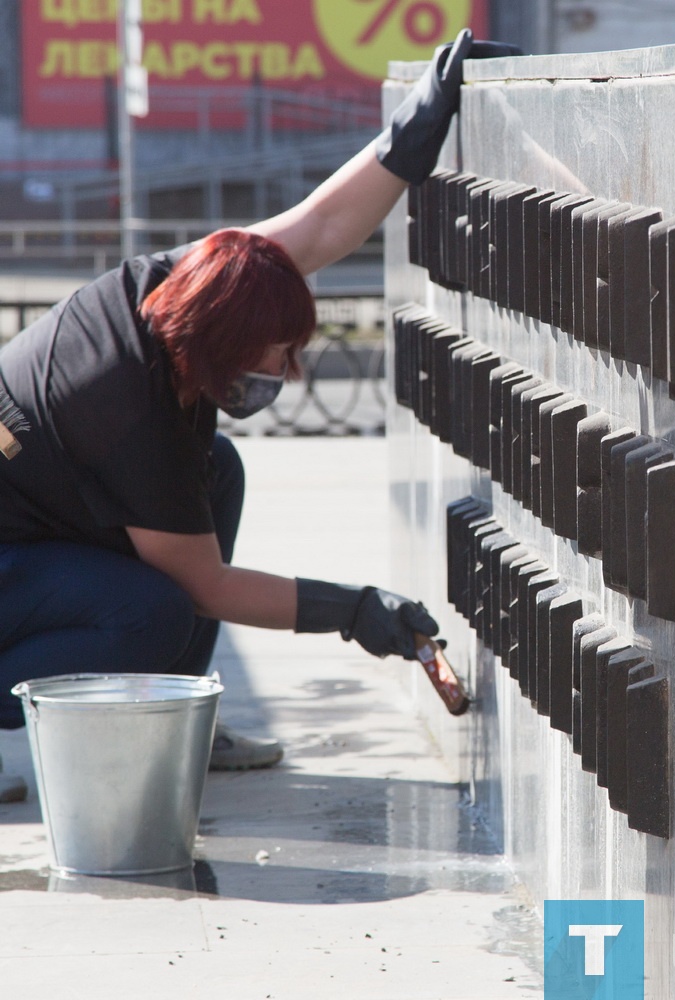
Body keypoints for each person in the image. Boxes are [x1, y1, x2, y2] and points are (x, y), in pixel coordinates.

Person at [0, 30, 520, 772]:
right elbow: (205, 587)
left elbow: (319, 226)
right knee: (154, 610)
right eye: (277, 353)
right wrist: (354, 610)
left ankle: (178, 724)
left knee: (215, 470)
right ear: (220, 342)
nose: (289, 370)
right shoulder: (126, 408)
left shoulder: (189, 285)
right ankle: (136, 728)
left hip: (31, 524)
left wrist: (420, 120)